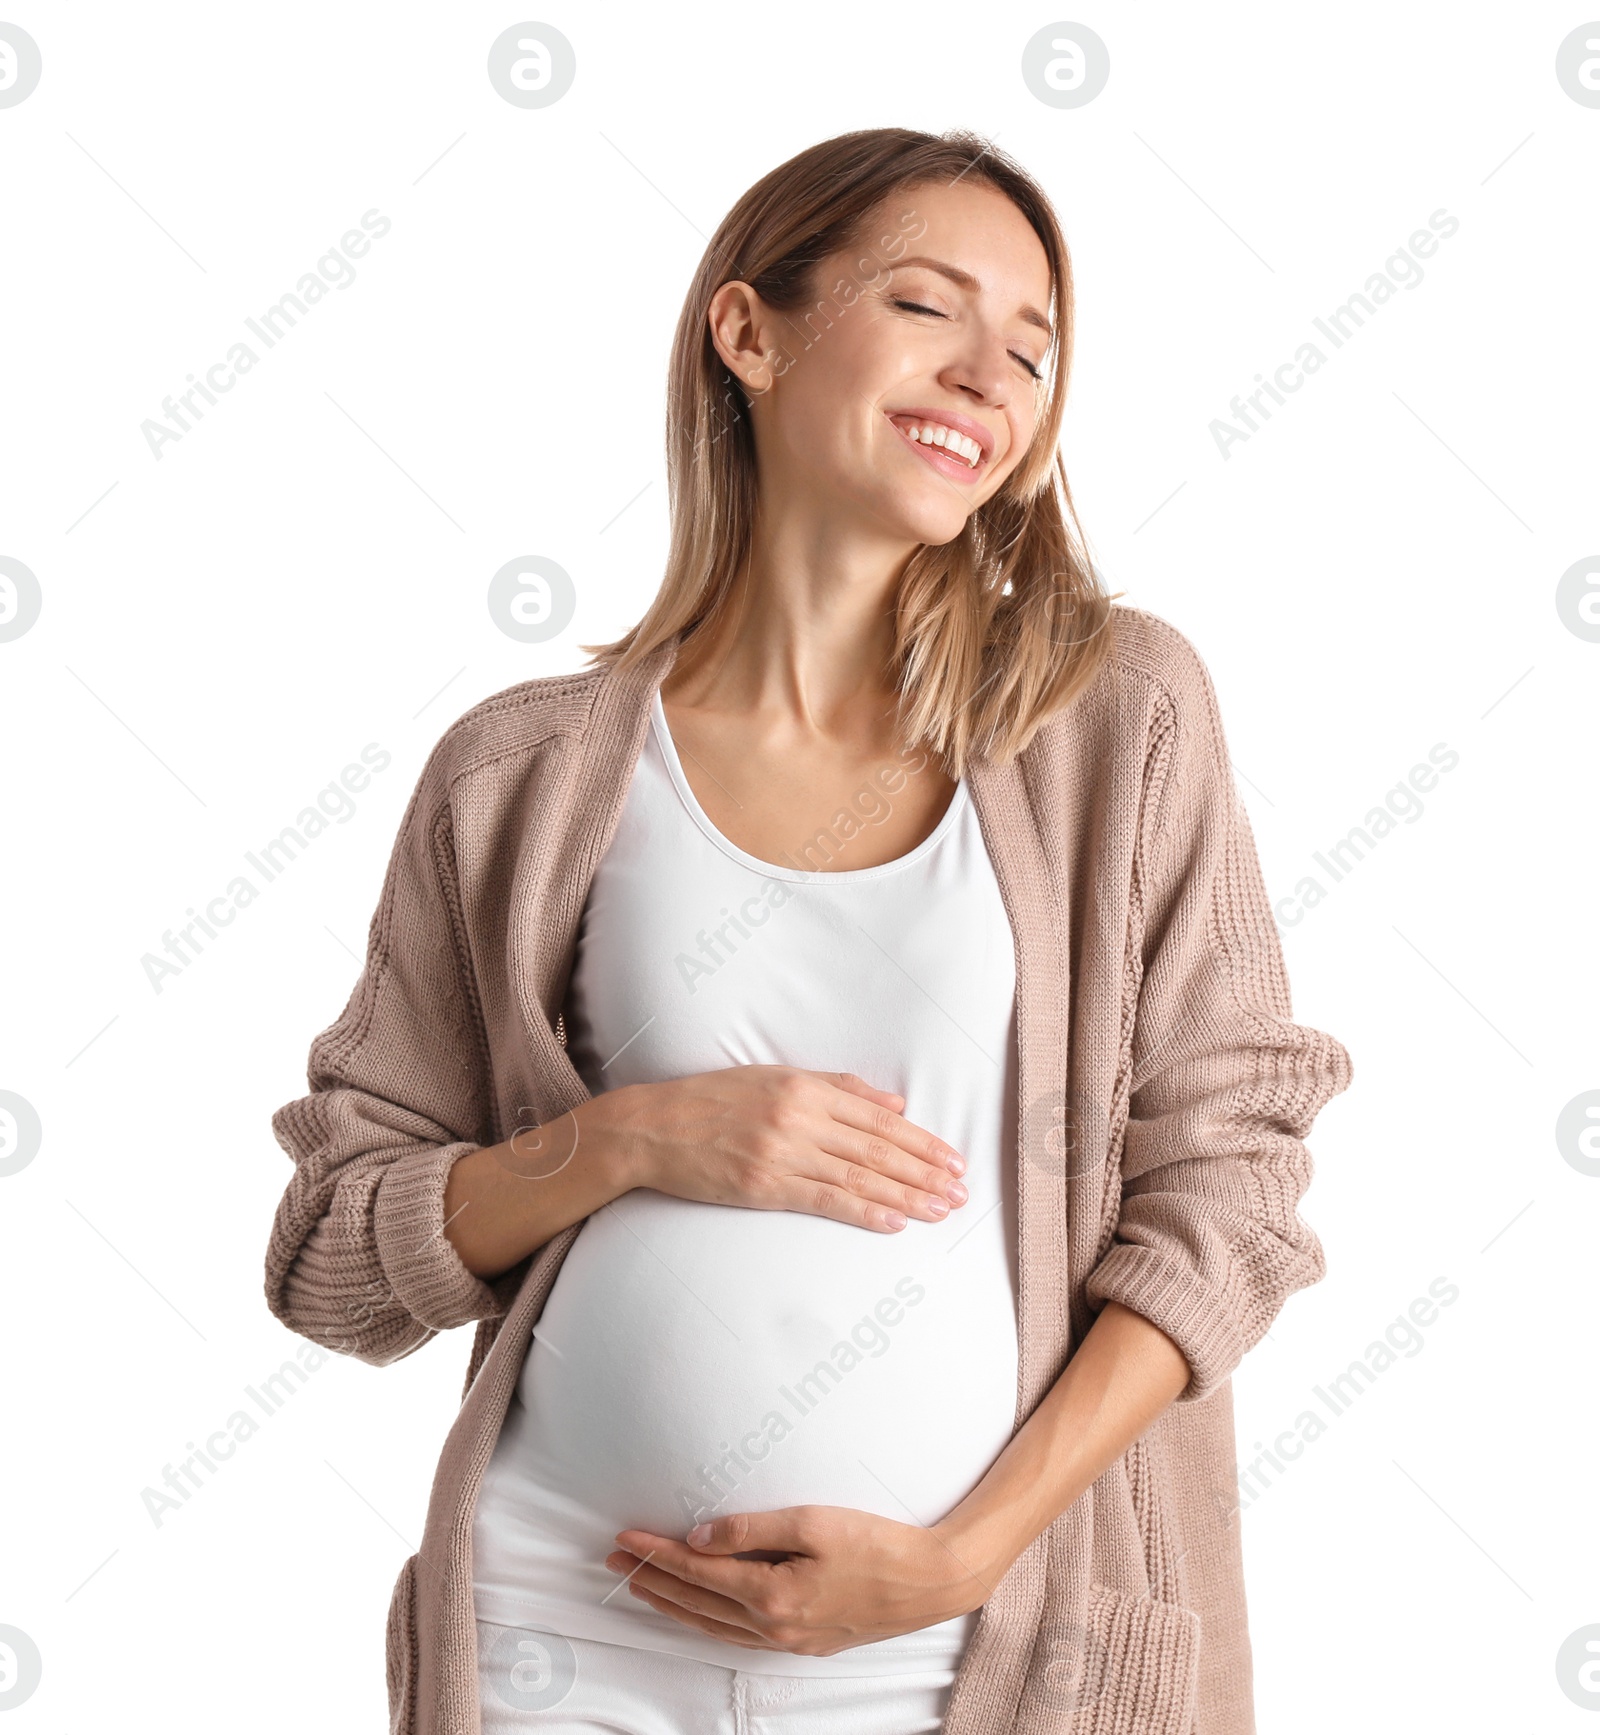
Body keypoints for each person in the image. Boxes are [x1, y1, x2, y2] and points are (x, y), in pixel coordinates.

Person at [265, 127, 1353, 1735]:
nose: (991, 373)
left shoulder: (1116, 715)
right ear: (749, 333)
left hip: (973, 1646)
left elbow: (1233, 1184)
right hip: (560, 1634)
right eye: (930, 307)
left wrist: (959, 1556)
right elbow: (329, 1260)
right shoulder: (524, 773)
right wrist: (627, 1141)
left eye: (1034, 349)